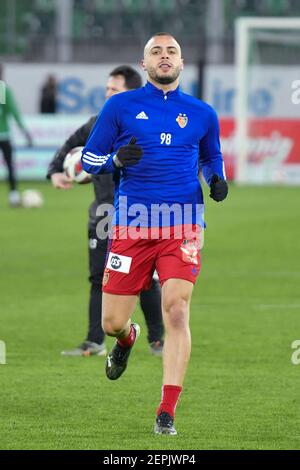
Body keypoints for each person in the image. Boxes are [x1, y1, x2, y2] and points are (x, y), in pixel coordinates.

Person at [81, 33, 228, 435]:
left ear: (181, 62)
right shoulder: (119, 106)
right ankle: (127, 339)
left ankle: (166, 411)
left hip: (182, 223)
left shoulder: (202, 112)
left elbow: (211, 156)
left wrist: (217, 179)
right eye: (156, 52)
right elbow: (89, 161)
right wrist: (113, 159)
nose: (165, 57)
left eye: (172, 51)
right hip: (132, 224)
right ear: (144, 65)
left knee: (177, 309)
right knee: (111, 322)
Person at [47, 65, 164, 357]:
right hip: (101, 216)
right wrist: (55, 172)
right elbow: (69, 147)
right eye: (107, 89)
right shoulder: (97, 123)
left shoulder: (148, 127)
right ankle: (94, 342)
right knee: (99, 277)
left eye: (115, 89)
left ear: (131, 94)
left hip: (138, 216)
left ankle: (158, 340)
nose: (108, 94)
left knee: (146, 279)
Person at [0, 64, 32, 206]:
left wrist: (24, 132)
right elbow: (13, 112)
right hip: (4, 135)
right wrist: (25, 133)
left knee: (9, 165)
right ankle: (13, 195)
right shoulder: (3, 89)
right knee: (9, 165)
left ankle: (13, 195)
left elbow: (12, 112)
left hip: (4, 134)